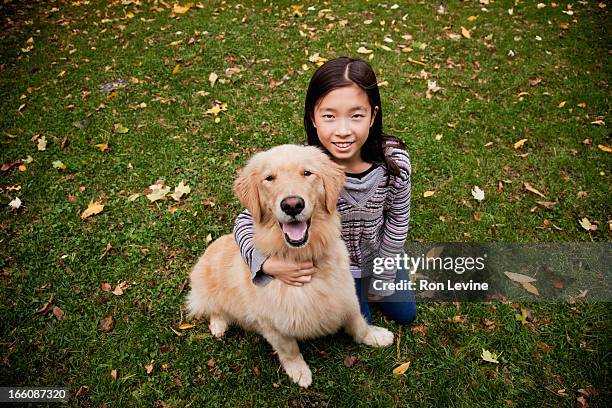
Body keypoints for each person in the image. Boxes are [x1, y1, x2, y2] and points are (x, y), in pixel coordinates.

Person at [233, 57, 416, 325]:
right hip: (332, 265)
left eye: (356, 115)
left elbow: (398, 221)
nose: (342, 131)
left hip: (380, 255)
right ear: (313, 117)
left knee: (405, 314)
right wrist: (264, 264)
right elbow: (244, 220)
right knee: (355, 318)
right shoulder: (302, 165)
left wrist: (385, 272)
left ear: (373, 115)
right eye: (329, 116)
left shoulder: (395, 163)